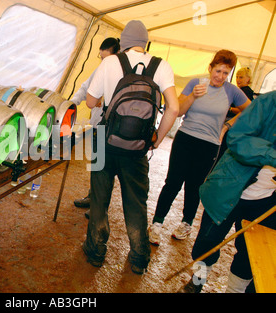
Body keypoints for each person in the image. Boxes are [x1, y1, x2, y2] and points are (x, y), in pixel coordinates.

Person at [82, 20, 179, 274]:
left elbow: (91, 102)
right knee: (136, 202)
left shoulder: (110, 62)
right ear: (145, 43)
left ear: (123, 42)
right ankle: (138, 257)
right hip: (138, 149)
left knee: (100, 199)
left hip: (104, 141)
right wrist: (155, 139)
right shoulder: (162, 66)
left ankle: (95, 251)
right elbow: (174, 108)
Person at [148, 50, 252, 245]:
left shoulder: (231, 91)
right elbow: (177, 111)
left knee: (195, 186)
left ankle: (186, 223)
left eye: (225, 73)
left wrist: (227, 126)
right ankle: (157, 223)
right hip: (186, 139)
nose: (221, 76)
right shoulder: (195, 83)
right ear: (210, 68)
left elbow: (252, 108)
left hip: (210, 145)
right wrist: (192, 97)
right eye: (218, 71)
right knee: (173, 182)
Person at [180, 91, 276, 293]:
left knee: (251, 254)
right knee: (208, 240)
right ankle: (197, 281)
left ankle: (235, 291)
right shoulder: (269, 102)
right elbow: (237, 139)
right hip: (229, 188)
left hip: (267, 200)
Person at [72, 37, 120, 214]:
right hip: (97, 126)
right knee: (96, 165)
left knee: (106, 168)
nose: (103, 62)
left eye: (106, 58)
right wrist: (72, 103)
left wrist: (104, 100)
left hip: (112, 129)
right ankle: (93, 197)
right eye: (101, 58)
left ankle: (99, 207)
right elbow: (86, 87)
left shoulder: (122, 74)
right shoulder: (101, 69)